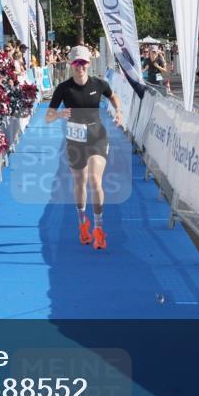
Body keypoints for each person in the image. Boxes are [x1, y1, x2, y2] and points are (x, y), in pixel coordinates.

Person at [46, 45, 123, 251]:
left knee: (95, 180)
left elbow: (113, 96)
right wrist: (59, 114)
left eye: (83, 63)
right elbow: (48, 116)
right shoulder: (64, 88)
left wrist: (119, 112)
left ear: (88, 64)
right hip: (75, 140)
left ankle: (98, 228)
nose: (80, 67)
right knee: (80, 182)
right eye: (76, 63)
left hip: (97, 137)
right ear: (71, 64)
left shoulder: (99, 84)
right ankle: (82, 224)